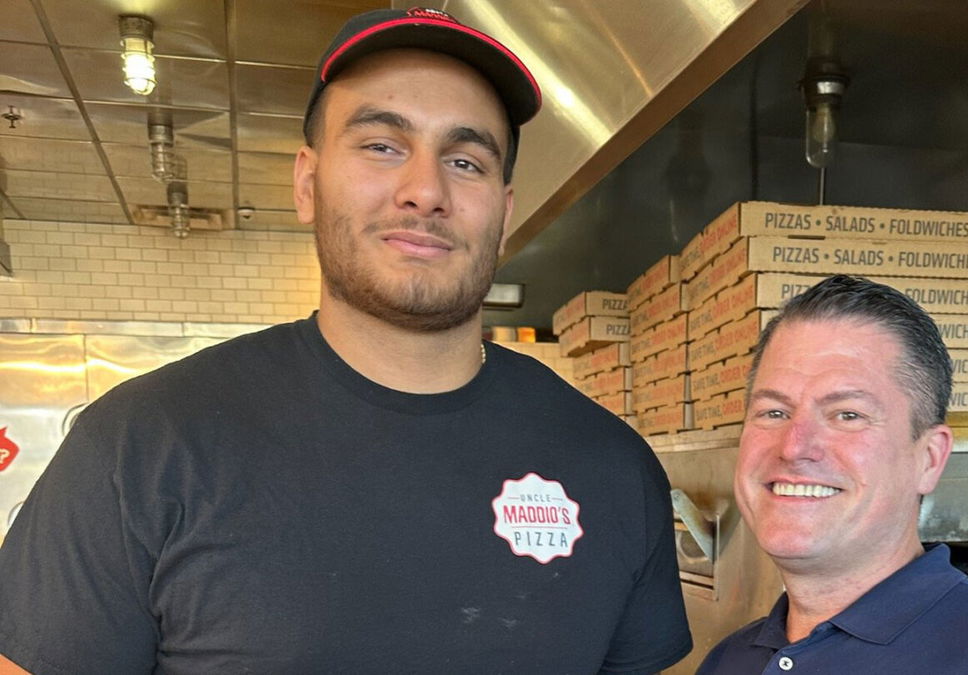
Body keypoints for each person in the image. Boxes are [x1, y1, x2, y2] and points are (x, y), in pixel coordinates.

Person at [0, 8, 691, 673]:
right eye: (382, 146)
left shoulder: (613, 469)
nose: (424, 190)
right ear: (308, 182)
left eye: (467, 161)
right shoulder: (139, 447)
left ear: (504, 213)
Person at [699, 275, 968, 674]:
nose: (794, 447)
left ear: (929, 459)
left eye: (848, 415)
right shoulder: (728, 661)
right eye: (774, 411)